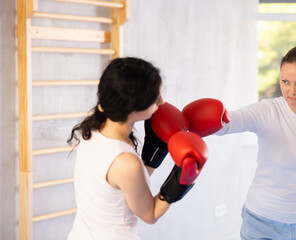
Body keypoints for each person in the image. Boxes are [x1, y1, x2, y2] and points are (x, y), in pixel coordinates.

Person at [212, 45, 296, 239]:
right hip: (263, 222)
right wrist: (195, 121)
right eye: (285, 81)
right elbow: (226, 124)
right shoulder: (268, 111)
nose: (291, 91)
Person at [67, 57, 208, 240]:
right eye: (155, 99)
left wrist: (156, 149)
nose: (162, 102)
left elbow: (125, 185)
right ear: (134, 108)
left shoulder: (92, 132)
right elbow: (150, 215)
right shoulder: (125, 162)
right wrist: (180, 182)